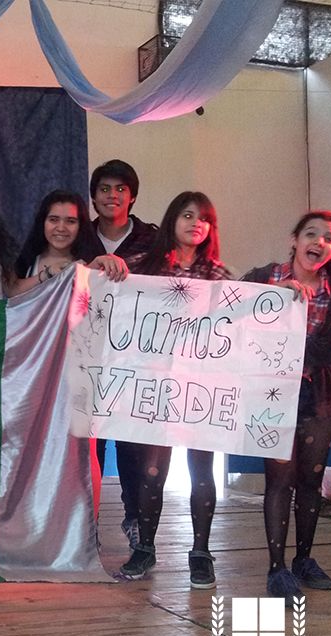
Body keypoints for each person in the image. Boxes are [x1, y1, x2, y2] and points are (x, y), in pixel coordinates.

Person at [117, 192, 232, 588]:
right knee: (152, 469)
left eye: (204, 218)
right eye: (187, 215)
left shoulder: (219, 275)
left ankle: (201, 553)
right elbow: (108, 293)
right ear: (172, 219)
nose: (195, 223)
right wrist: (102, 267)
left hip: (201, 386)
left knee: (201, 470)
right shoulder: (143, 265)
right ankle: (145, 547)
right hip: (156, 384)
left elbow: (239, 321)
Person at [242, 210, 331, 604]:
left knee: (310, 481)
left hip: (318, 397)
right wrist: (272, 301)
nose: (319, 242)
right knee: (279, 480)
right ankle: (276, 567)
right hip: (271, 395)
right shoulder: (264, 278)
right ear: (295, 239)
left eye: (329, 238)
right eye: (311, 234)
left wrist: (287, 344)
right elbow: (231, 313)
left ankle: (303, 559)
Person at [83, 159, 159, 551]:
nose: (111, 196)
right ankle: (86, 525)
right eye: (104, 189)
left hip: (135, 361)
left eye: (120, 189)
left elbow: (179, 285)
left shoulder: (153, 239)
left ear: (132, 196)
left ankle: (135, 521)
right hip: (87, 358)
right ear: (93, 196)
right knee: (88, 448)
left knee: (133, 447)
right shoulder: (79, 236)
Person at [7, 189, 127, 297]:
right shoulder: (27, 260)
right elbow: (11, 292)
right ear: (42, 222)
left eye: (70, 221)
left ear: (81, 226)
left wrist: (112, 268)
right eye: (53, 220)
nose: (61, 228)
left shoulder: (94, 264)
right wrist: (47, 274)